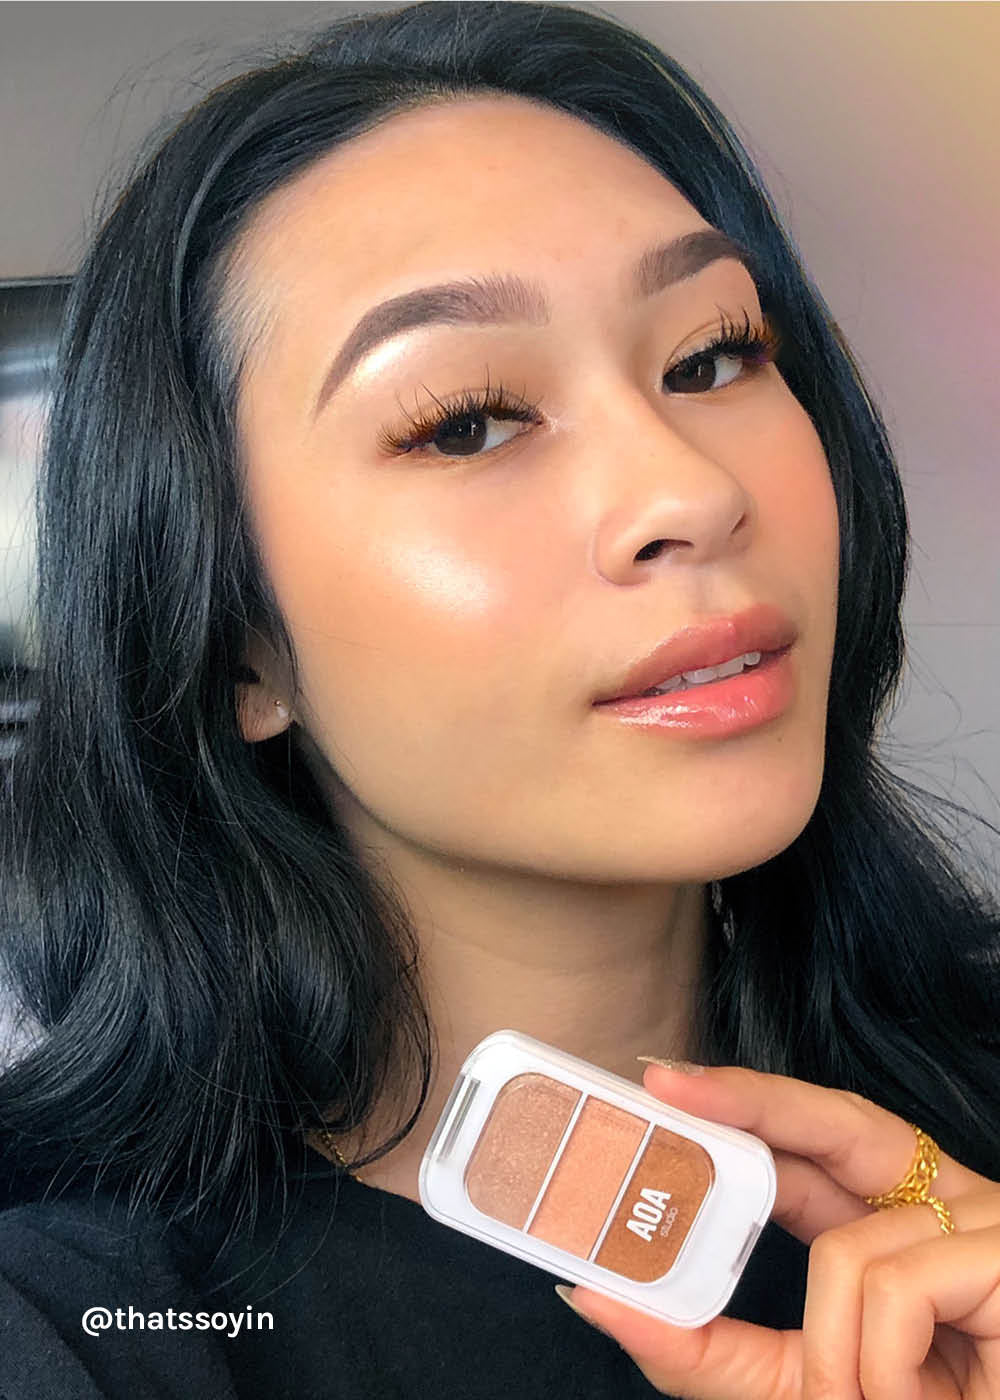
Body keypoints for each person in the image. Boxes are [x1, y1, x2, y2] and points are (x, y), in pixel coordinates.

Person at [1, 3, 998, 1396]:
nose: (691, 490)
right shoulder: (78, 1327)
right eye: (466, 422)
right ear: (238, 651)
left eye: (713, 356)